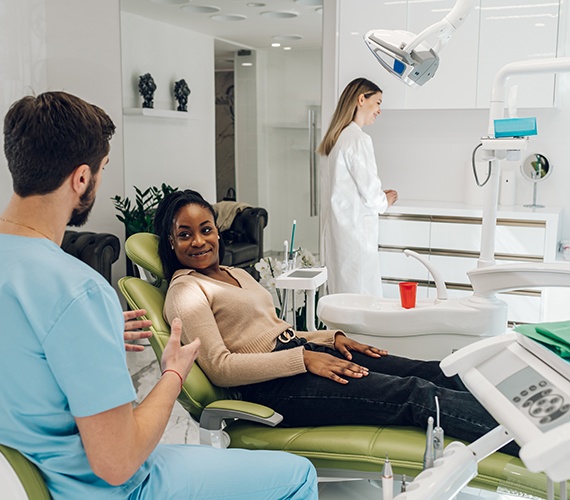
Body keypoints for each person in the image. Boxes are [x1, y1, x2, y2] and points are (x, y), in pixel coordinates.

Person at [0, 92, 317, 499]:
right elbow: (117, 462)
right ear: (81, 178)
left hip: (21, 481)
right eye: (101, 170)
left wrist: (85, 337)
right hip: (106, 489)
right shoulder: (77, 290)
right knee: (298, 476)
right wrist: (173, 372)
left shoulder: (49, 291)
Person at [157, 189, 518, 457]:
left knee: (432, 370)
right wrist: (303, 359)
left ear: (218, 231)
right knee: (412, 393)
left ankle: (530, 407)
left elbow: (274, 331)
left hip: (302, 356)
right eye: (185, 234)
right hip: (272, 386)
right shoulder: (186, 291)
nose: (199, 241)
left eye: (205, 229)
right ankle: (524, 438)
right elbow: (220, 368)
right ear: (171, 243)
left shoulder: (236, 273)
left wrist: (331, 339)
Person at [317, 77, 398, 297]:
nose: (379, 110)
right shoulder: (357, 139)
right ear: (362, 99)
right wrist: (385, 200)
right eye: (378, 102)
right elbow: (371, 194)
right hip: (355, 238)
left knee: (343, 302)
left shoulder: (337, 140)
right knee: (362, 303)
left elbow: (347, 188)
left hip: (340, 237)